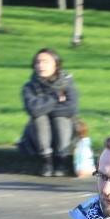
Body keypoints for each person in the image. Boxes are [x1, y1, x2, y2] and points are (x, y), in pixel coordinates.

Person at [20, 48, 78, 177]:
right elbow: (33, 109)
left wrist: (45, 107)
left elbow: (71, 108)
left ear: (56, 65)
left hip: (65, 131)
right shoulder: (29, 87)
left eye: (45, 62)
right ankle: (46, 161)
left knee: (61, 118)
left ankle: (61, 159)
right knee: (40, 118)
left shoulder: (66, 84)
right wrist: (55, 98)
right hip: (37, 136)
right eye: (37, 62)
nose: (41, 66)